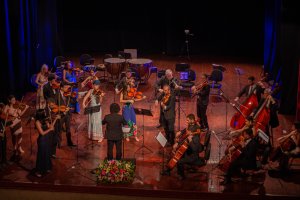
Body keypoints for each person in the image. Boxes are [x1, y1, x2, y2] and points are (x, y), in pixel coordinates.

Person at [161, 114, 202, 180]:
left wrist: (190, 140)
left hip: (192, 154)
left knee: (178, 159)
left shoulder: (196, 132)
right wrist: (180, 133)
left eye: (187, 120)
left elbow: (195, 149)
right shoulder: (190, 125)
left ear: (192, 120)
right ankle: (167, 170)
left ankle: (181, 176)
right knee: (173, 154)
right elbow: (186, 131)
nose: (186, 121)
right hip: (187, 150)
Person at [34, 109, 60, 177]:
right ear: (41, 114)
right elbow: (42, 133)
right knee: (41, 155)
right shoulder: (37, 122)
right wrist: (50, 129)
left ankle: (46, 168)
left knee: (47, 153)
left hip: (47, 139)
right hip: (42, 140)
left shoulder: (45, 120)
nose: (46, 113)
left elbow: (50, 127)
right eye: (44, 112)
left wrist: (55, 119)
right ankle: (38, 171)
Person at [120, 78, 146, 142]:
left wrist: (142, 98)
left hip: (131, 108)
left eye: (130, 87)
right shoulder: (123, 92)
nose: (129, 88)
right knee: (127, 122)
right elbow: (121, 100)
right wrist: (128, 100)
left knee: (133, 122)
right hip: (126, 108)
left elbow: (134, 100)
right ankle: (127, 136)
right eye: (128, 87)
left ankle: (135, 136)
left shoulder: (132, 92)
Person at [4, 95, 29, 161]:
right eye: (13, 100)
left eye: (15, 99)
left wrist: (25, 108)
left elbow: (20, 115)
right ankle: (15, 148)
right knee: (14, 136)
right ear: (9, 101)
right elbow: (5, 117)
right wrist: (10, 116)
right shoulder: (6, 107)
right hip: (12, 124)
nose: (15, 101)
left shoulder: (17, 106)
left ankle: (19, 147)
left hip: (18, 122)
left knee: (20, 135)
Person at [0, 103, 12, 170]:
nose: (4, 110)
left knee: (4, 147)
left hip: (3, 134)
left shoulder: (2, 117)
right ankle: (1, 163)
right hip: (0, 135)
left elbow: (4, 124)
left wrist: (11, 121)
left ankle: (4, 160)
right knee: (1, 149)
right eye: (3, 109)